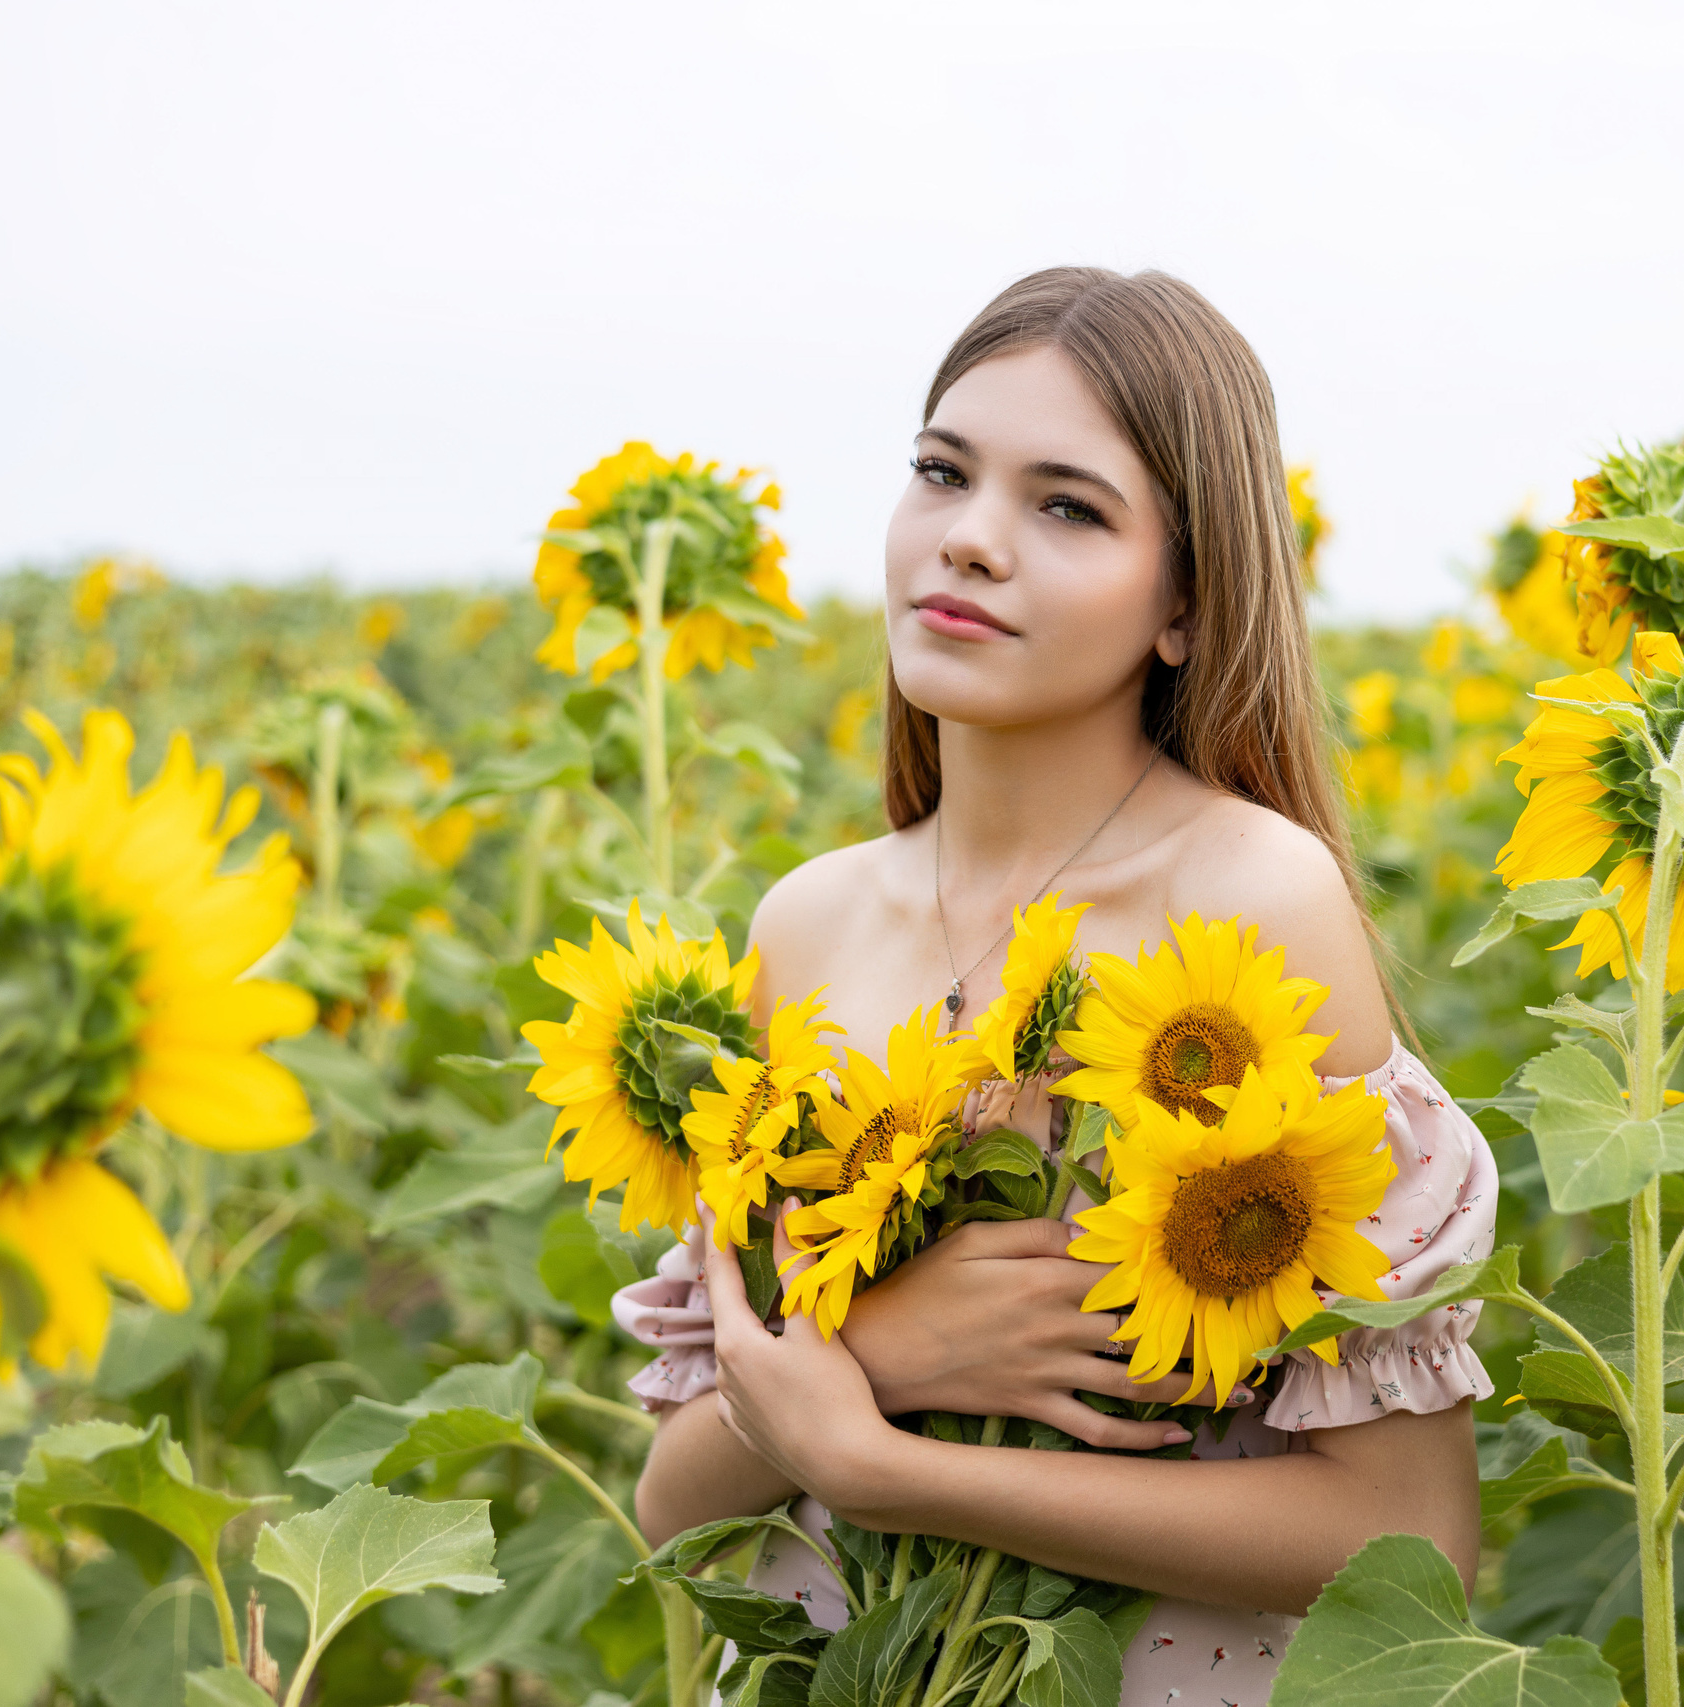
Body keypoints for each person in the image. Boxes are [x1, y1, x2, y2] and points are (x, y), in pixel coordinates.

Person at [616, 266, 1497, 1705]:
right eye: (940, 472)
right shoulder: (811, 921)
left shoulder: (1250, 907)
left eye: (1066, 506)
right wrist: (887, 1348)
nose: (968, 541)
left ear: (1188, 608)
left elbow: (1401, 1533)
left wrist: (882, 1468)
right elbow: (676, 1505)